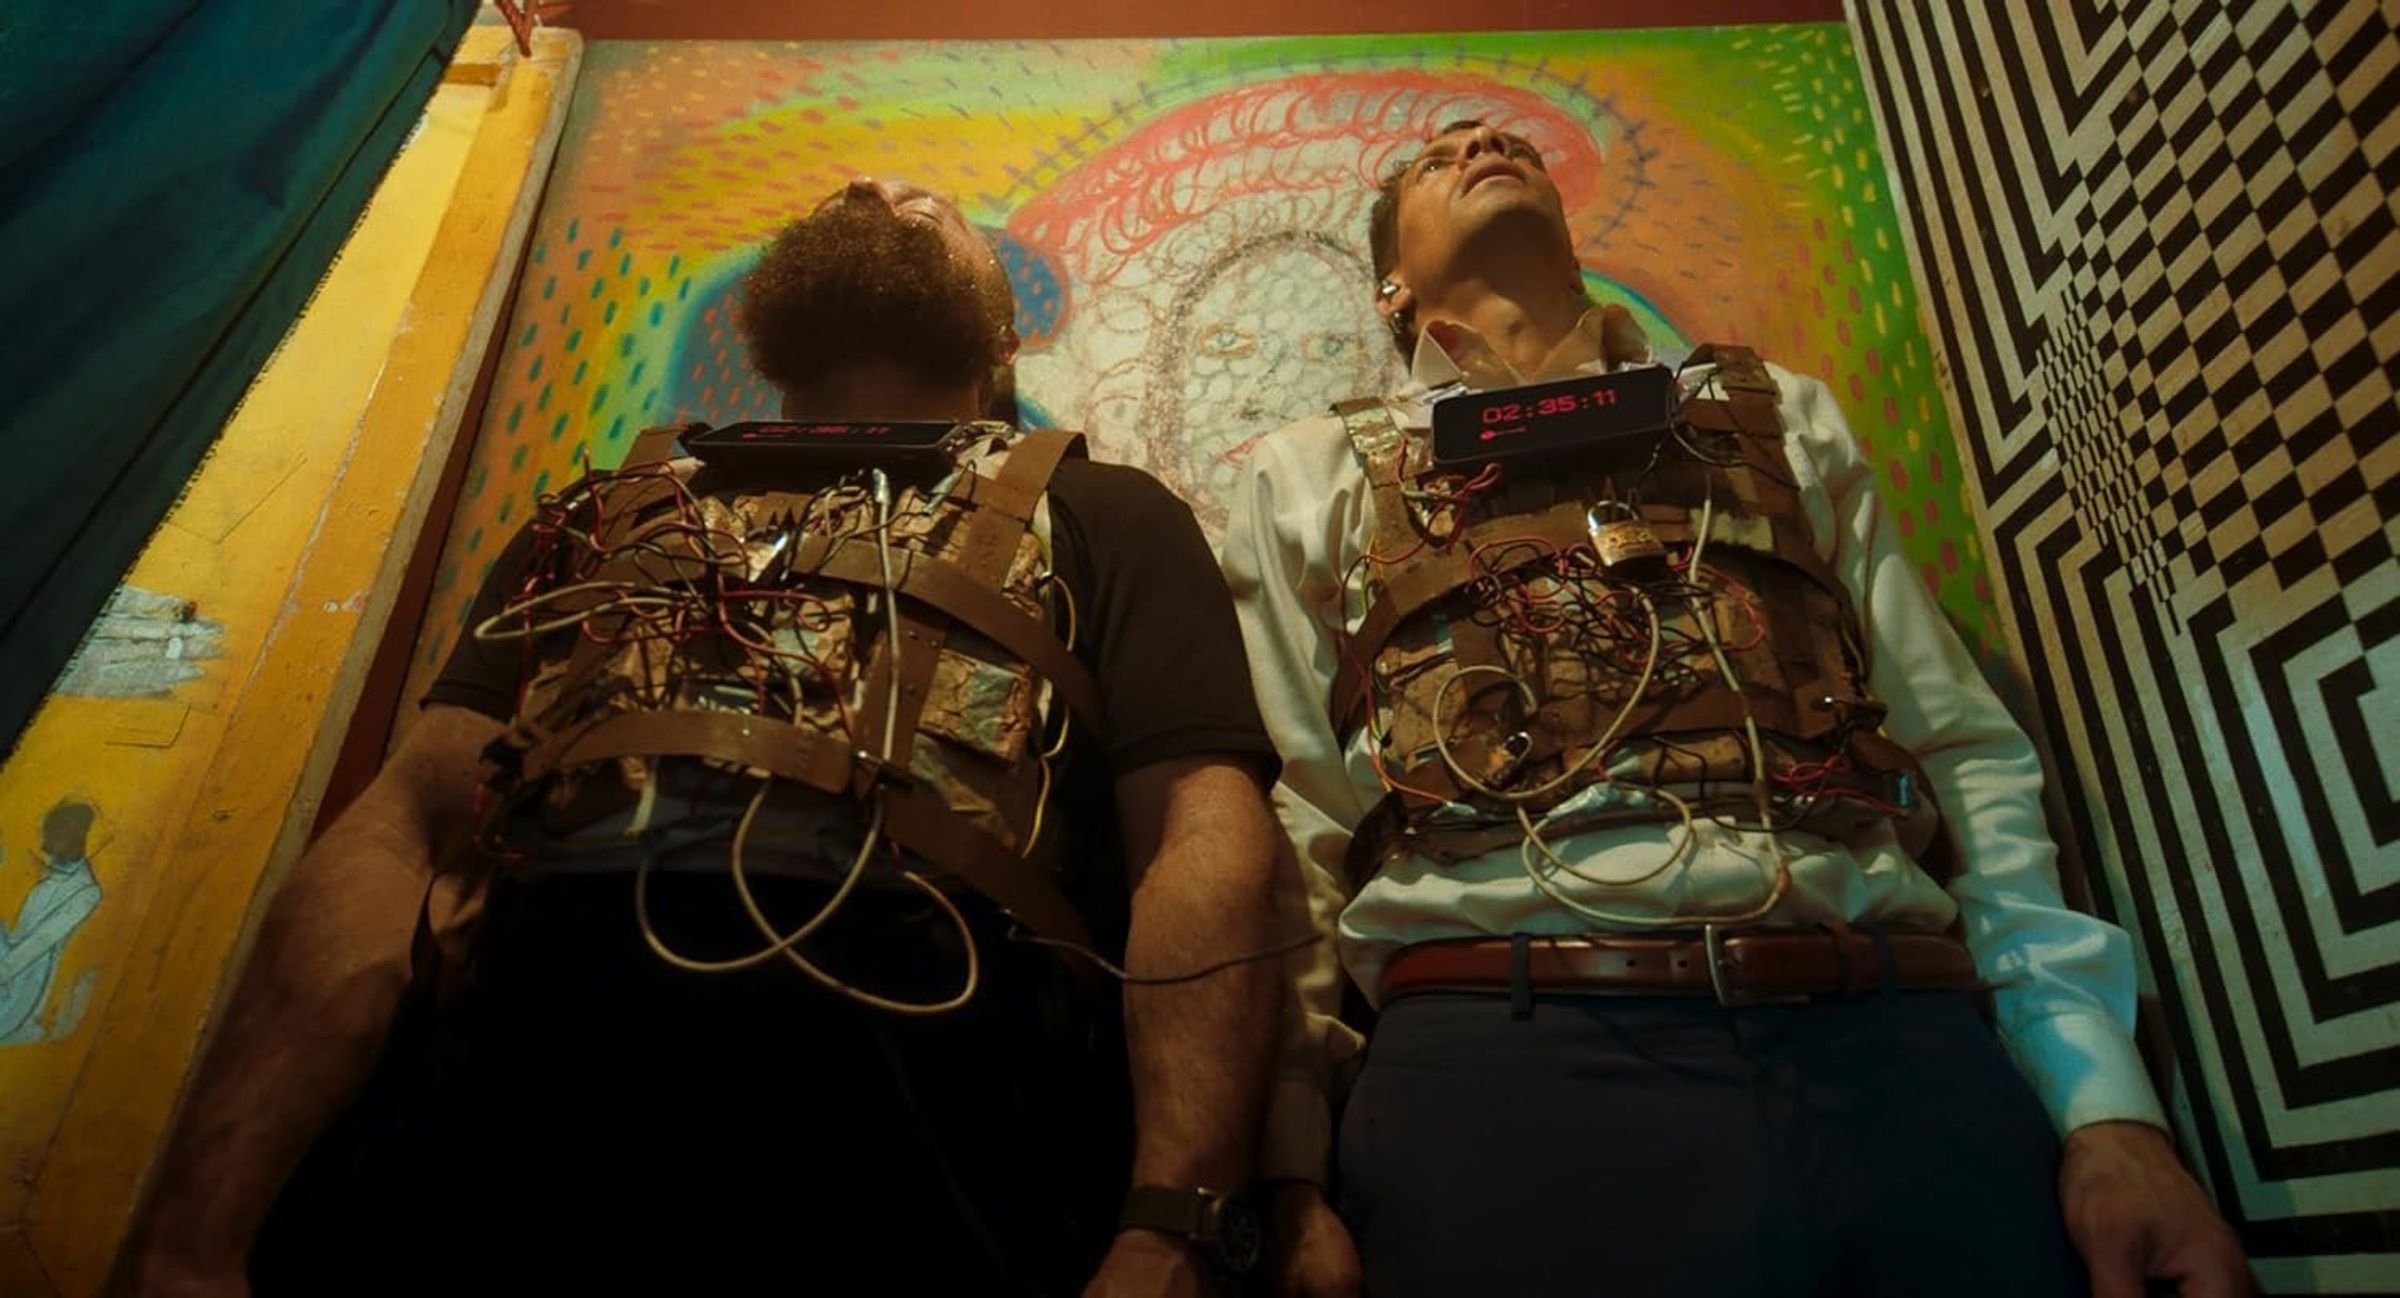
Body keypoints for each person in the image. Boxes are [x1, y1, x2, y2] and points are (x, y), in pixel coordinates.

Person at [119, 175, 1286, 1297]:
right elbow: (399, 834)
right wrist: (195, 1233)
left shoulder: (1110, 515)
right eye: (851, 194)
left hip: (941, 1148)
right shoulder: (601, 515)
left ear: (1003, 344)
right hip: (510, 1133)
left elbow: (1202, 838)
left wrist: (1174, 1227)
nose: (872, 189)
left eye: (932, 208)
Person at [1223, 121, 2253, 1297]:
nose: (1485, 140)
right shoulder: (1311, 474)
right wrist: (1290, 1167)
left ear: (1572, 241)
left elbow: (1962, 754)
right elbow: (1300, 826)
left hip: (1892, 1040)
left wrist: (2104, 1105)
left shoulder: (1775, 416)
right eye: (1434, 157)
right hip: (1504, 1070)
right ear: (1390, 287)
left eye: (1504, 139)